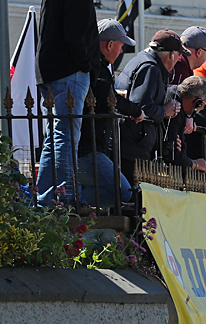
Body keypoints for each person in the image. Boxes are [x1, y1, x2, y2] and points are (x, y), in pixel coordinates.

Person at [35, 0, 99, 205]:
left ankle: (46, 197)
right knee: (65, 134)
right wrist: (85, 65)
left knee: (54, 136)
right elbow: (75, 35)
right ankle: (65, 195)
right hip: (69, 70)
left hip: (49, 70)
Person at [76, 19, 144, 209]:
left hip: (90, 147)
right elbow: (108, 98)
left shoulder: (95, 64)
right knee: (125, 192)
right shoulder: (96, 66)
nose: (121, 51)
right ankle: (72, 198)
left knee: (119, 193)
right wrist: (136, 110)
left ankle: (75, 197)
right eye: (121, 46)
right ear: (110, 44)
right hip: (88, 149)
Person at [115, 30, 188, 185]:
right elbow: (140, 106)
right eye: (179, 55)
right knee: (131, 197)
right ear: (172, 55)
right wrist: (165, 111)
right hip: (132, 146)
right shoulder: (150, 67)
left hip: (131, 143)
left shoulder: (144, 61)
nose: (179, 59)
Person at [163, 76, 206, 174]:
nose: (203, 109)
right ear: (198, 102)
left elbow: (178, 150)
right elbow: (172, 155)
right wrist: (195, 164)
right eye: (205, 105)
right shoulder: (175, 109)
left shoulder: (175, 95)